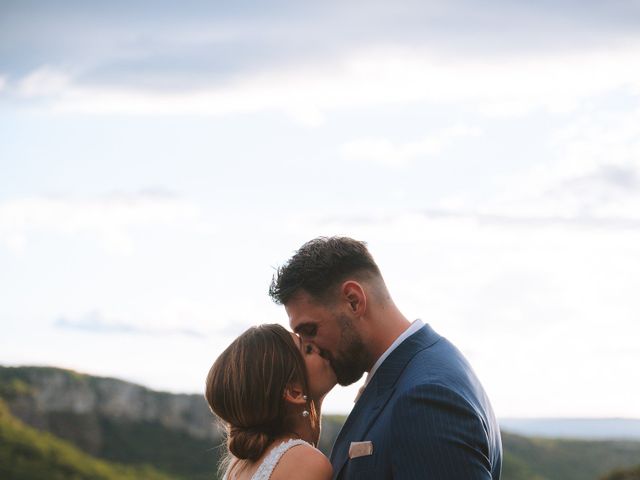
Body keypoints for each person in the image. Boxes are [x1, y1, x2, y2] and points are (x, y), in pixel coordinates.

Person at [269, 236, 503, 479]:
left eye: (310, 330)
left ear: (353, 300)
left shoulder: (426, 397)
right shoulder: (415, 371)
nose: (310, 347)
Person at [205, 323, 337, 480]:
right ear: (294, 393)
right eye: (307, 349)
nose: (319, 347)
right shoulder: (304, 462)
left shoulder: (239, 466)